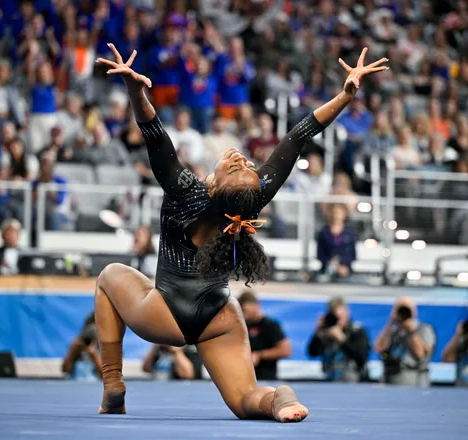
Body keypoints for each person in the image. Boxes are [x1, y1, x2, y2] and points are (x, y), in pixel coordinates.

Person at [93, 43, 387, 421]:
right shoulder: (254, 198)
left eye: (237, 166)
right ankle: (276, 398)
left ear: (214, 185)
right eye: (246, 163)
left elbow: (153, 132)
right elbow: (299, 136)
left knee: (109, 277)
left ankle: (113, 382)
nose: (240, 157)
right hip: (219, 317)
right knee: (246, 399)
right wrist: (345, 97)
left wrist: (136, 91)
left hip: (165, 313)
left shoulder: (187, 190)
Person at [373, 297, 436, 387]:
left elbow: (420, 354)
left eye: (406, 309)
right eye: (400, 309)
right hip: (391, 381)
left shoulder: (423, 329)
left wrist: (411, 331)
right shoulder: (393, 331)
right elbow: (378, 348)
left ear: (414, 312)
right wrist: (390, 323)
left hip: (415, 382)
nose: (403, 314)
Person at [307, 297, 370, 382]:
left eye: (341, 316)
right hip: (329, 380)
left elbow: (361, 357)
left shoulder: (357, 331)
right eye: (336, 317)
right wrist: (317, 331)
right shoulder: (327, 332)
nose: (338, 321)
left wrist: (342, 339)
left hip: (354, 381)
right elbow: (312, 353)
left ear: (347, 313)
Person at [237, 291, 292, 381]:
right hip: (244, 378)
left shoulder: (270, 325)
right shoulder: (241, 326)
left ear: (255, 305)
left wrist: (259, 355)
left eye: (245, 310)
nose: (243, 313)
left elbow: (286, 350)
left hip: (266, 378)